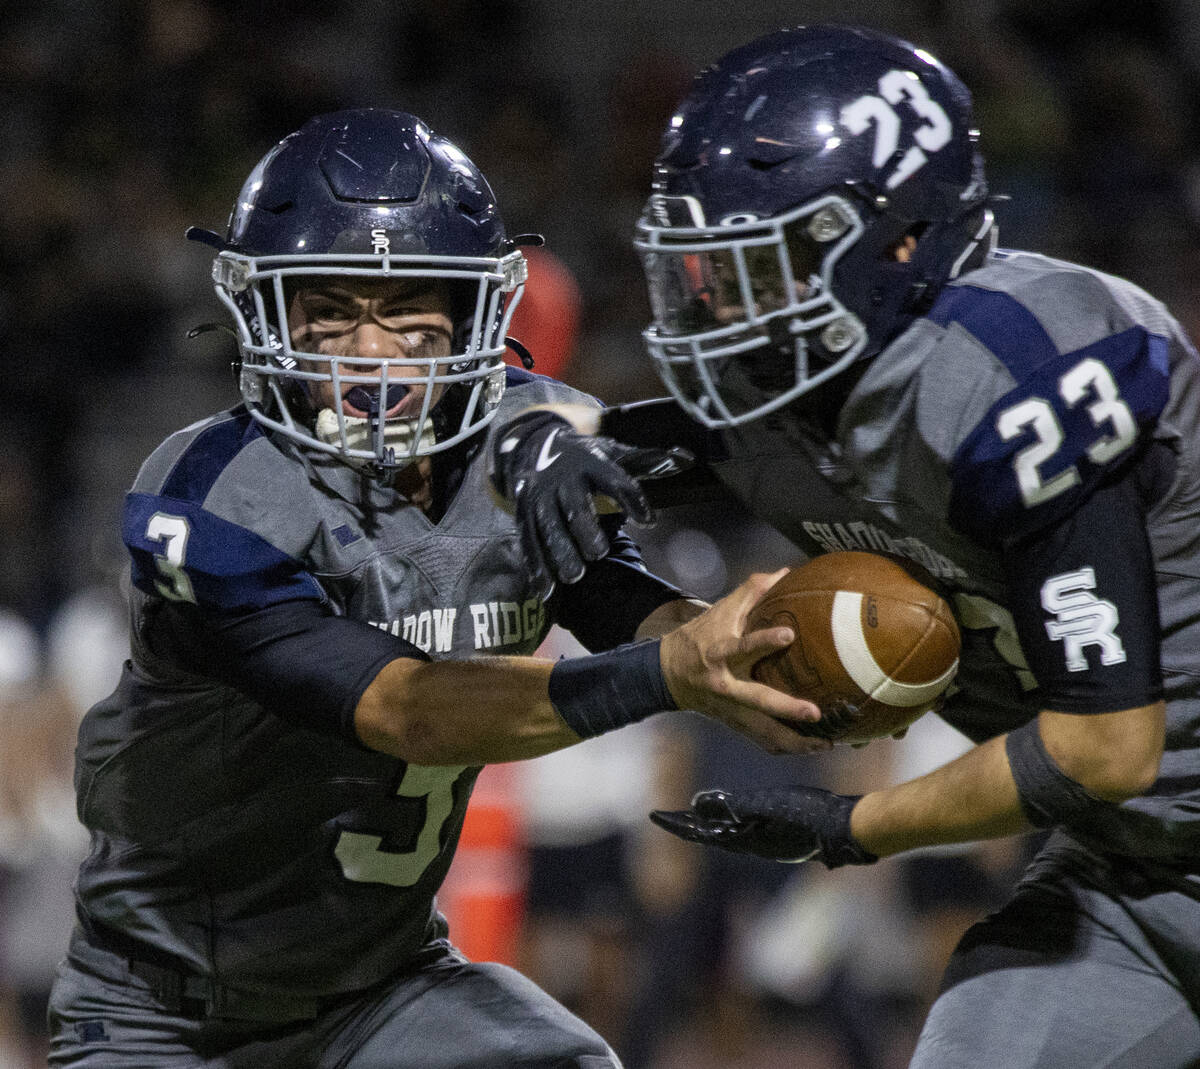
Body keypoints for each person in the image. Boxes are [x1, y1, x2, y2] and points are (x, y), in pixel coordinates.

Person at [44, 108, 829, 1069]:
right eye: (329, 310)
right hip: (169, 1014)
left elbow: (626, 560)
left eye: (409, 307)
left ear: (477, 317)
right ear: (264, 316)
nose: (371, 353)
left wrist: (737, 652)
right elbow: (407, 710)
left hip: (384, 989)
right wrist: (677, 669)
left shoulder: (527, 443)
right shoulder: (213, 495)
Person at [489, 25, 1200, 1067]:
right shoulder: (788, 396)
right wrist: (540, 433)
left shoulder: (1021, 370)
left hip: (1125, 813)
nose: (717, 306)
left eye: (762, 267)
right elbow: (556, 444)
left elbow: (1108, 745)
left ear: (899, 240)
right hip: (1129, 871)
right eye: (707, 269)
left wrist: (848, 824)